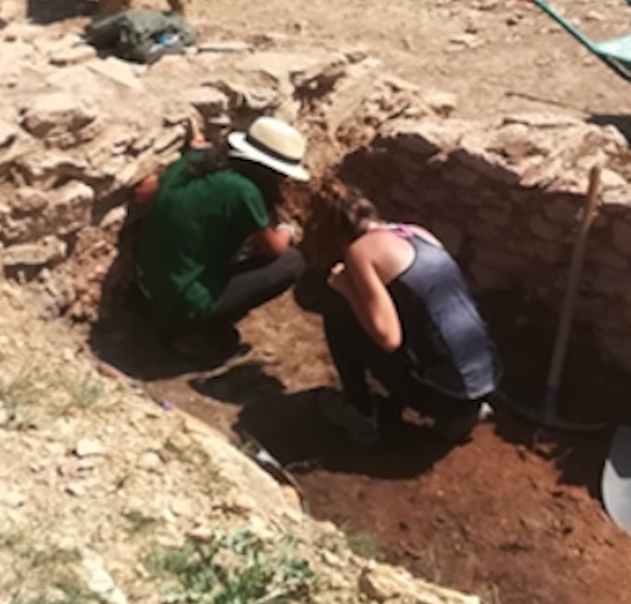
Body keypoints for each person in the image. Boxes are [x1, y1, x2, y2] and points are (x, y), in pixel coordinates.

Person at [313, 189, 500, 446]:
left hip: (445, 395)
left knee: (338, 312)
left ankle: (361, 414)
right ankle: (466, 410)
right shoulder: (417, 233)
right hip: (486, 378)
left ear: (342, 237)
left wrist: (345, 287)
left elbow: (388, 338)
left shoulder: (360, 251)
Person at [130, 116, 308, 361]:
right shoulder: (244, 192)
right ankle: (193, 329)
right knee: (292, 262)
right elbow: (274, 249)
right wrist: (287, 229)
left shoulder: (196, 160)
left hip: (148, 281)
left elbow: (142, 194)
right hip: (184, 300)